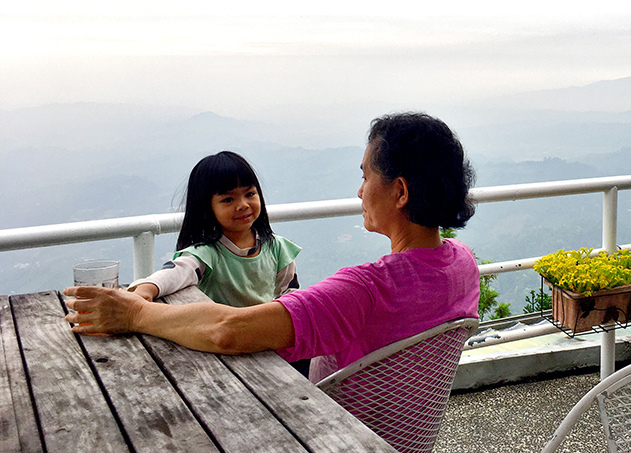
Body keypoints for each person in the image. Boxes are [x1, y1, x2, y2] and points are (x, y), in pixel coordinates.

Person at [63, 113, 480, 377]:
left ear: (400, 192)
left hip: (336, 445)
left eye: (366, 176)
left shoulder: (365, 290)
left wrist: (135, 312)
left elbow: (228, 331)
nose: (359, 191)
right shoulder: (463, 265)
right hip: (406, 444)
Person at [128, 151, 301, 308]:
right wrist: (146, 289)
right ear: (206, 208)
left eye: (249, 194)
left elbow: (291, 297)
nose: (243, 205)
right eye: (228, 199)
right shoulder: (206, 255)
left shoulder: (277, 249)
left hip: (265, 335)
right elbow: (175, 272)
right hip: (221, 335)